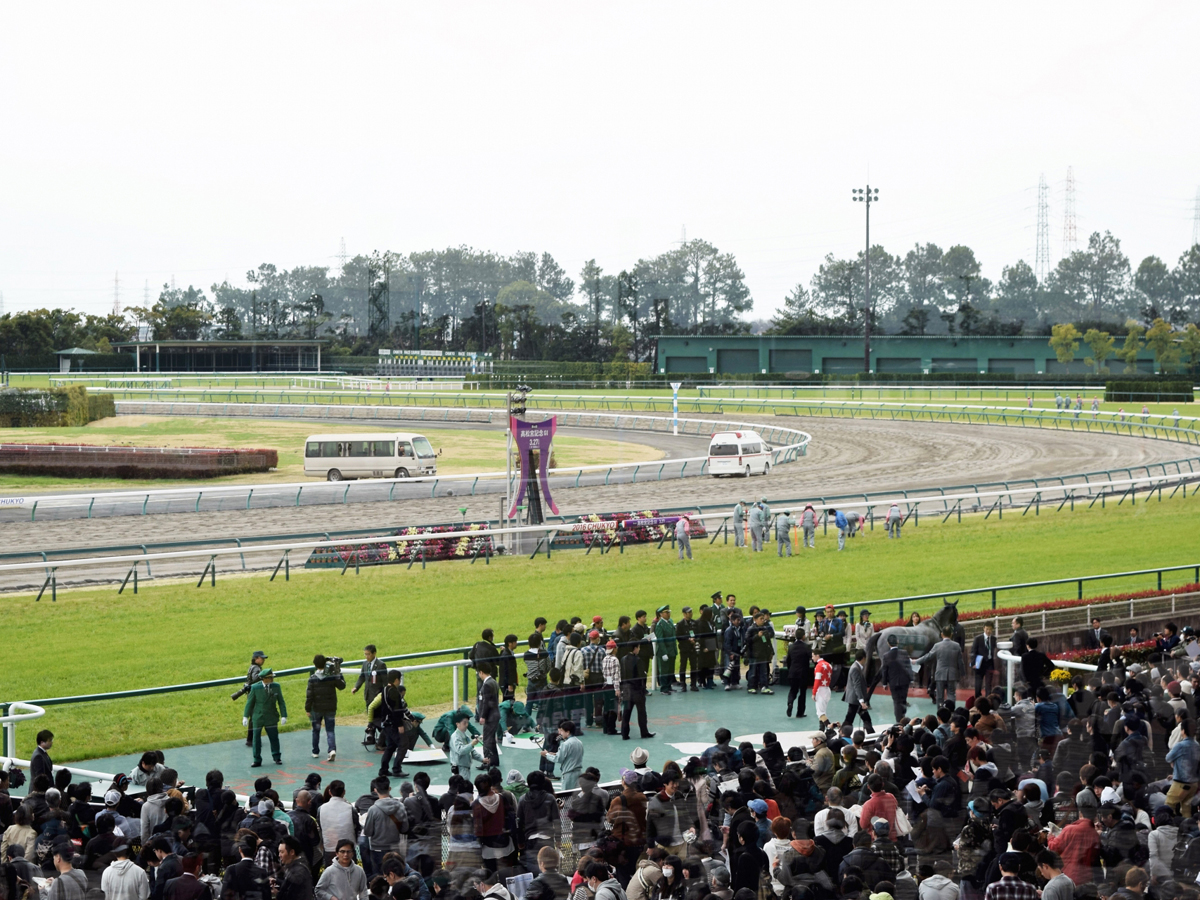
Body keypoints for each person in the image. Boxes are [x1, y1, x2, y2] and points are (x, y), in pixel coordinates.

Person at [243, 669, 287, 768]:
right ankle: (256, 759)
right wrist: (245, 716)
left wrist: (284, 715)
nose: (272, 679)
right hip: (258, 717)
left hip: (271, 716)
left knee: (274, 738)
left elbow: (281, 701)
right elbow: (249, 703)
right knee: (256, 739)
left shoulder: (276, 687)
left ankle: (277, 757)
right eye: (270, 677)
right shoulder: (255, 687)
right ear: (264, 679)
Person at [307, 655, 346, 763]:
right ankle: (332, 749)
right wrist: (338, 673)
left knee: (316, 730)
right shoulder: (332, 676)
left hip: (317, 708)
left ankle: (315, 751)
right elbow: (342, 686)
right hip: (330, 707)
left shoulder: (312, 678)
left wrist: (307, 709)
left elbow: (309, 695)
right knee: (330, 730)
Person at [913, 629, 963, 710]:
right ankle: (951, 712)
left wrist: (916, 661)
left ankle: (940, 714)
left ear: (942, 634)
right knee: (951, 694)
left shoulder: (937, 645)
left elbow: (928, 656)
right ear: (951, 634)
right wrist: (962, 673)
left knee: (940, 696)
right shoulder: (956, 645)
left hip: (940, 674)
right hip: (952, 674)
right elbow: (960, 661)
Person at [374, 671, 411, 778]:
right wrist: (400, 725)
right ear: (396, 680)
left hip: (385, 723)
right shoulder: (394, 692)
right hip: (393, 724)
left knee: (391, 746)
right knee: (403, 744)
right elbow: (397, 710)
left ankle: (384, 769)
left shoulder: (385, 689)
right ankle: (397, 769)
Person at [354, 645, 389, 749]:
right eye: (365, 654)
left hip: (377, 697)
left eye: (368, 654)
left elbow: (385, 682)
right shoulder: (365, 664)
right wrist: (356, 687)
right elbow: (362, 677)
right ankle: (371, 738)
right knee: (371, 717)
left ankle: (383, 739)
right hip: (368, 695)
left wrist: (383, 695)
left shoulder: (381, 665)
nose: (366, 656)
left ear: (374, 653)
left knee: (376, 719)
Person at [620, 642, 655, 740]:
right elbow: (641, 677)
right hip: (636, 690)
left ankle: (624, 733)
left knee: (626, 713)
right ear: (635, 648)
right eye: (638, 647)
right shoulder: (638, 660)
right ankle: (644, 732)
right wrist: (642, 689)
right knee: (641, 712)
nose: (639, 649)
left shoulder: (623, 659)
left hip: (626, 689)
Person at [232, 653, 268, 745]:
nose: (263, 660)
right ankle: (252, 739)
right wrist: (264, 675)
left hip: (252, 693)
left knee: (253, 717)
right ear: (256, 659)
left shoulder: (252, 667)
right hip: (255, 694)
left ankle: (250, 739)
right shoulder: (256, 668)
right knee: (255, 717)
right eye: (261, 658)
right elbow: (256, 678)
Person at [879, 636, 913, 723]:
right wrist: (911, 679)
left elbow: (884, 670)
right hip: (904, 681)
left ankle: (899, 721)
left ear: (888, 643)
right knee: (903, 700)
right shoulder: (904, 653)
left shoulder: (886, 656)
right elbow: (908, 667)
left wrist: (884, 683)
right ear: (897, 642)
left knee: (897, 702)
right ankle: (903, 718)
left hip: (893, 682)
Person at [542, 721, 583, 790]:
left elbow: (558, 759)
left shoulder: (565, 744)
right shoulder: (579, 742)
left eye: (562, 731)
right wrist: (556, 753)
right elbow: (572, 754)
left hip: (569, 775)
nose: (560, 733)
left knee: (566, 796)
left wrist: (546, 755)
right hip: (578, 773)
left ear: (567, 732)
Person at [476, 663, 500, 771]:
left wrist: (482, 716)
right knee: (491, 740)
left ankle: (487, 762)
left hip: (490, 716)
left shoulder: (486, 685)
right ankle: (494, 760)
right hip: (495, 715)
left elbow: (486, 702)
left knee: (487, 740)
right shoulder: (493, 682)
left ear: (481, 672)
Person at [785, 630, 813, 718]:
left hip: (793, 672)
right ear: (803, 636)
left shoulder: (791, 647)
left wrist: (790, 670)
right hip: (803, 673)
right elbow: (811, 658)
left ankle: (790, 702)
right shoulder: (807, 647)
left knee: (793, 690)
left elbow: (788, 660)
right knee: (802, 692)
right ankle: (800, 713)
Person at [844, 650, 874, 733]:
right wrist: (861, 701)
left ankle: (871, 734)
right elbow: (856, 686)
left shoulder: (857, 667)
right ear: (864, 658)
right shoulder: (855, 669)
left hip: (855, 699)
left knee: (855, 719)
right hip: (855, 699)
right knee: (850, 719)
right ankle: (872, 735)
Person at [654, 607, 678, 695]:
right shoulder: (659, 625)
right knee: (664, 670)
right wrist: (664, 653)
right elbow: (660, 640)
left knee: (670, 670)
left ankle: (669, 686)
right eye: (666, 612)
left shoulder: (670, 621)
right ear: (661, 614)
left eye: (668, 612)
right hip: (665, 651)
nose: (668, 614)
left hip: (672, 650)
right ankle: (664, 688)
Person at [970, 624, 997, 698]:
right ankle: (978, 698)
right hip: (980, 663)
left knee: (988, 683)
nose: (988, 631)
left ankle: (988, 699)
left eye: (990, 629)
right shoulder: (978, 638)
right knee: (978, 683)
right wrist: (973, 663)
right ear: (984, 628)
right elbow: (973, 651)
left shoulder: (994, 639)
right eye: (987, 629)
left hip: (989, 663)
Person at [676, 607, 699, 692]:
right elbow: (678, 636)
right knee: (683, 666)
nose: (691, 613)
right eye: (689, 612)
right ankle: (683, 685)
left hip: (692, 648)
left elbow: (697, 634)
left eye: (691, 612)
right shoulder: (680, 624)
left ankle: (693, 684)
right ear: (684, 614)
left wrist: (695, 640)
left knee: (694, 666)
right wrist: (688, 639)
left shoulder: (694, 623)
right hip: (684, 649)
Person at [813, 656, 833, 726]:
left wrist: (814, 693)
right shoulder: (829, 665)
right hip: (827, 689)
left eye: (813, 656)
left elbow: (817, 680)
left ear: (817, 655)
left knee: (820, 713)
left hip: (821, 690)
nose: (812, 658)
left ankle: (831, 728)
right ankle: (821, 729)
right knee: (822, 711)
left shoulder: (819, 666)